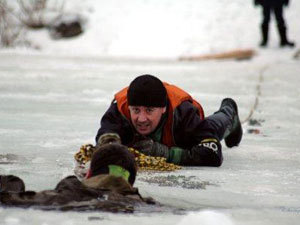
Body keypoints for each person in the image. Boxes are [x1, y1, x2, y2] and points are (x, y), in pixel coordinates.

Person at [96, 74, 243, 167]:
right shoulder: (120, 110)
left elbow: (212, 154)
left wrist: (165, 154)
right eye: (136, 110)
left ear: (163, 108)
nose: (141, 118)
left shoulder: (184, 113)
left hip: (189, 131)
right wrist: (109, 145)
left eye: (149, 110)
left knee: (213, 127)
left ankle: (229, 112)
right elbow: (106, 134)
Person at [0, 143, 156, 212]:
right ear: (131, 183)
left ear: (88, 174)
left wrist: (10, 182)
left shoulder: (69, 191)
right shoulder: (142, 205)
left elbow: (7, 199)